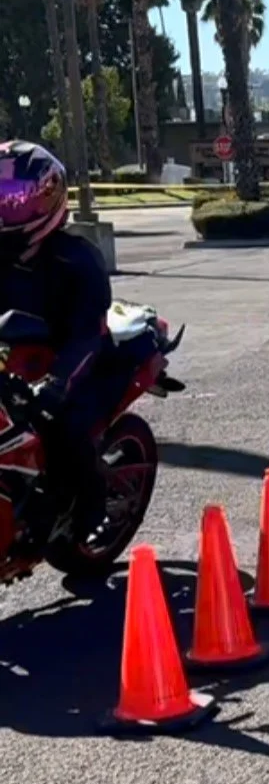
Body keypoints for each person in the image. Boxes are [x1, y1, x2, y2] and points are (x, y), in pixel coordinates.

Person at [0, 140, 114, 547]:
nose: (5, 208)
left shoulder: (77, 260)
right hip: (14, 356)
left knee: (61, 425)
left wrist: (58, 383)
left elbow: (88, 332)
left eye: (14, 199)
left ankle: (92, 511)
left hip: (70, 359)